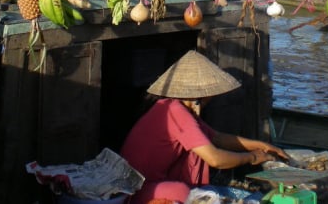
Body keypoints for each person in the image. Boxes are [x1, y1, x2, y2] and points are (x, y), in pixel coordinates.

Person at [120, 50, 289, 204]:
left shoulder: (175, 107)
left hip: (149, 182)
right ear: (199, 95)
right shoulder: (175, 111)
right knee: (184, 192)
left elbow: (217, 138)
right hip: (137, 190)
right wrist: (251, 157)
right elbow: (215, 159)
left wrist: (262, 146)